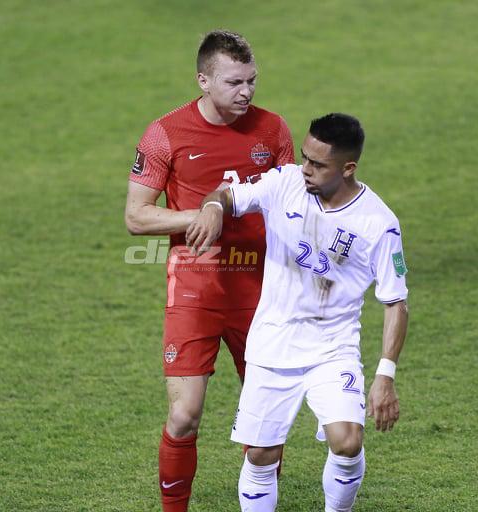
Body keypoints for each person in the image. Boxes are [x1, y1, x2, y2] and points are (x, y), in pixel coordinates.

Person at [186, 113, 409, 512]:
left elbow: (396, 303)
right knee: (261, 455)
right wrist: (214, 208)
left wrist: (385, 375)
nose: (305, 168)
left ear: (348, 168)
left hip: (333, 347)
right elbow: (225, 195)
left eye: (318, 164)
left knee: (347, 442)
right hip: (273, 342)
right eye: (305, 156)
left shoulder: (378, 224)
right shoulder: (284, 182)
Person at [124, 30, 294, 511]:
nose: (246, 91)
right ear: (203, 80)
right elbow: (137, 217)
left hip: (260, 293)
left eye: (251, 80)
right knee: (184, 415)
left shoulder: (273, 130)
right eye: (234, 82)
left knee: (266, 424)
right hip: (194, 293)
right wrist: (201, 215)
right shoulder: (165, 134)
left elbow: (292, 203)